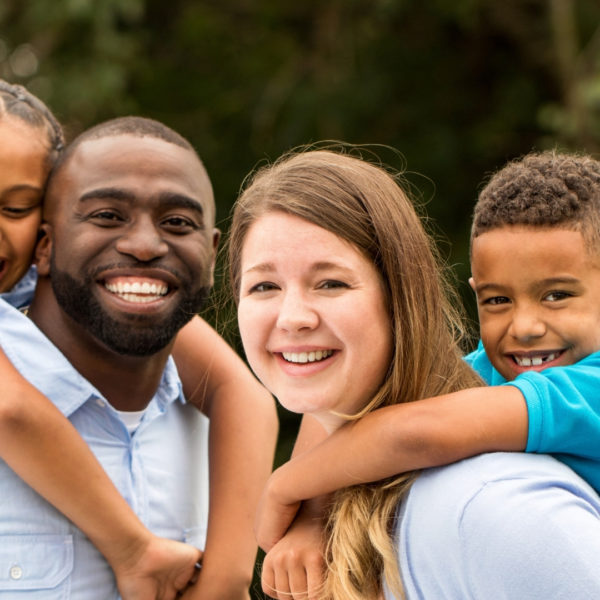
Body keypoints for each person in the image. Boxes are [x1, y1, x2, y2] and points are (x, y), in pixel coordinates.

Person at [227, 148, 600, 599]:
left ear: (404, 296)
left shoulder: (508, 484)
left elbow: (415, 432)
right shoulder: (493, 371)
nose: (524, 327)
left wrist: (286, 487)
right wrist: (311, 516)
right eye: (498, 301)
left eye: (557, 295)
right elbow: (337, 416)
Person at [0, 111, 276, 599]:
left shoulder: (206, 405)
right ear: (48, 244)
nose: (146, 246)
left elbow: (246, 395)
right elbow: (12, 410)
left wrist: (228, 576)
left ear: (212, 256)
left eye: (176, 222)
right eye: (107, 215)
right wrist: (132, 551)